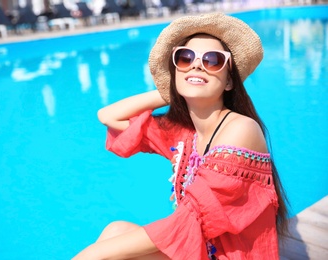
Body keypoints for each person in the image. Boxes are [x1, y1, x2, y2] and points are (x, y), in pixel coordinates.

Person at [73, 12, 288, 259]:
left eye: (213, 60)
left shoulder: (241, 129)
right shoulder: (186, 134)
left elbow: (189, 220)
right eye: (185, 59)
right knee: (115, 230)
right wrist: (174, 90)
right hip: (201, 250)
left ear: (229, 81)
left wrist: (92, 253)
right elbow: (109, 116)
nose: (197, 64)